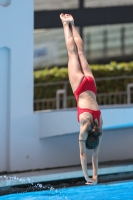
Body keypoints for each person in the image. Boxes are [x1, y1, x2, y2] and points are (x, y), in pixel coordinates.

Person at [60, 13, 103, 185]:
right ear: (87, 137)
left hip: (91, 85)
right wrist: (87, 177)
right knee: (72, 53)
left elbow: (96, 157)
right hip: (79, 86)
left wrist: (96, 177)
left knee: (81, 52)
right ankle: (65, 24)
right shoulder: (85, 125)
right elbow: (85, 155)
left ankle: (73, 23)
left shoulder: (99, 126)